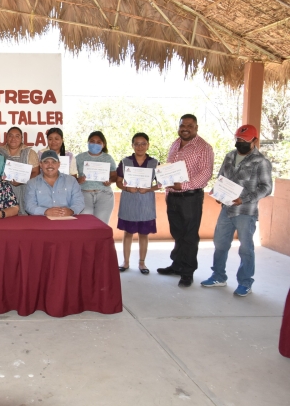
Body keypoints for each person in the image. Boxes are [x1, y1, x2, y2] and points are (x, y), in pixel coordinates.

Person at [200, 125, 272, 296]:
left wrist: (244, 199)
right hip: (227, 209)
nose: (240, 143)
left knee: (246, 249)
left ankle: (245, 282)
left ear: (254, 141)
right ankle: (218, 276)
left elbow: (266, 188)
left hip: (246, 212)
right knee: (220, 244)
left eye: (245, 141)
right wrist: (218, 193)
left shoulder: (261, 162)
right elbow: (221, 178)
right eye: (238, 140)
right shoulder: (230, 156)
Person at [157, 114, 214, 288]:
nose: (185, 128)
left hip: (190, 198)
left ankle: (187, 272)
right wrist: (163, 180)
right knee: (178, 234)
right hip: (173, 197)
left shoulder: (204, 148)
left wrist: (184, 185)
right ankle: (177, 265)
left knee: (189, 236)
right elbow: (169, 168)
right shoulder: (175, 143)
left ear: (196, 127)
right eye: (183, 125)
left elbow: (206, 174)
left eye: (190, 125)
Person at [116, 133, 160, 274]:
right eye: (137, 144)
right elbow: (118, 182)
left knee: (143, 233)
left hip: (146, 201)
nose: (140, 147)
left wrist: (149, 189)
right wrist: (126, 188)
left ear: (148, 145)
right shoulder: (125, 162)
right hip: (129, 200)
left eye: (143, 143)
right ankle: (126, 261)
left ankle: (142, 263)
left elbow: (160, 184)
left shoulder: (154, 163)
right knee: (128, 232)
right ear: (132, 145)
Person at [75, 131, 118, 224]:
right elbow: (71, 176)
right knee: (85, 223)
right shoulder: (79, 158)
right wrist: (78, 180)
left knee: (101, 224)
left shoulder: (108, 158)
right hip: (84, 194)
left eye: (98, 142)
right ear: (88, 142)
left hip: (104, 194)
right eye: (92, 141)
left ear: (103, 144)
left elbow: (114, 176)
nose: (95, 144)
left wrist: (110, 180)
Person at [25, 150, 84, 217]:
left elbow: (79, 202)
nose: (50, 165)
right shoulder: (32, 183)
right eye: (46, 162)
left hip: (66, 220)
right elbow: (29, 206)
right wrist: (45, 211)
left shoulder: (71, 181)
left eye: (54, 162)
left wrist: (71, 211)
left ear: (59, 164)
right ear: (41, 164)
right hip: (42, 221)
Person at [0, 126, 40, 215]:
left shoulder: (30, 152)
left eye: (17, 136)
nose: (13, 139)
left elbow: (36, 172)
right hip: (3, 192)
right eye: (11, 136)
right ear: (6, 138)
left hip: (24, 190)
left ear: (22, 138)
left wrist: (22, 180)